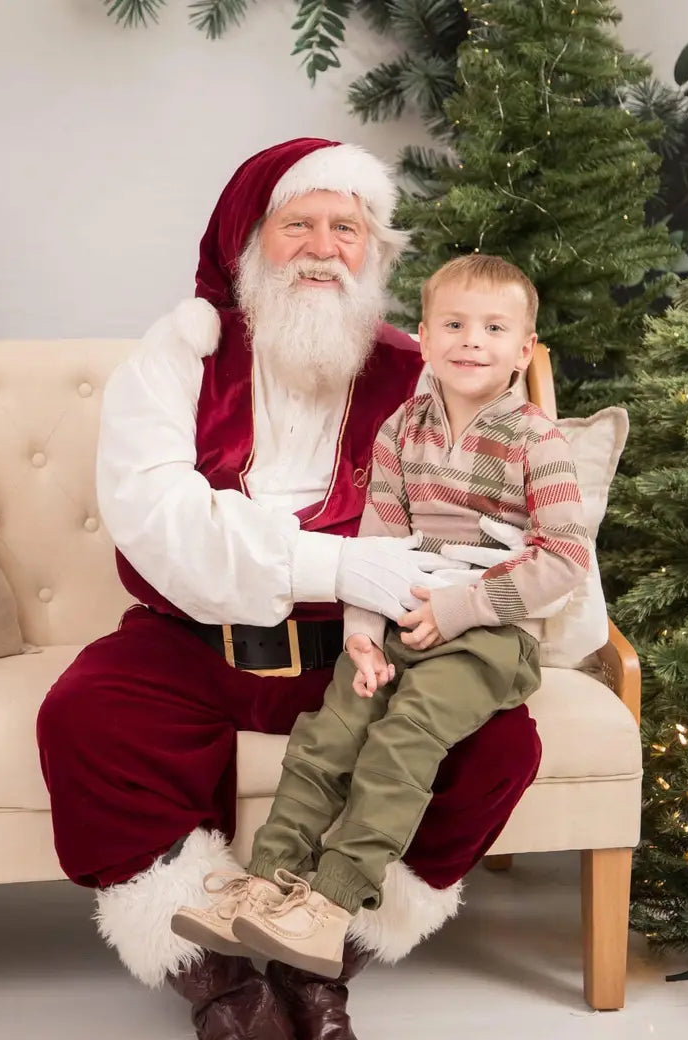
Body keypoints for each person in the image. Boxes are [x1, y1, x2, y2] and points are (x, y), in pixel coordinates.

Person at [36, 139, 543, 1040]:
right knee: (85, 716)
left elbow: (498, 500)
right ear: (249, 244)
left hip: (359, 649)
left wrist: (432, 590)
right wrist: (341, 563)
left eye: (345, 228)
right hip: (196, 633)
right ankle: (233, 1009)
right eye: (297, 225)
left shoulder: (415, 369)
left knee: (500, 743)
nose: (322, 251)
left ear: (374, 250)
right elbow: (159, 519)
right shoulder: (179, 353)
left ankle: (318, 976)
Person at [172, 254, 589, 980]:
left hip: (487, 638)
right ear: (424, 338)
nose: (471, 341)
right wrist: (362, 637)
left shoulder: (535, 439)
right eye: (454, 325)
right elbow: (376, 543)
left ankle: (329, 903)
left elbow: (562, 557)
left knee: (403, 737)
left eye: (493, 328)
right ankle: (265, 884)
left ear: (522, 349)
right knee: (329, 733)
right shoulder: (402, 430)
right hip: (397, 621)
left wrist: (461, 608)